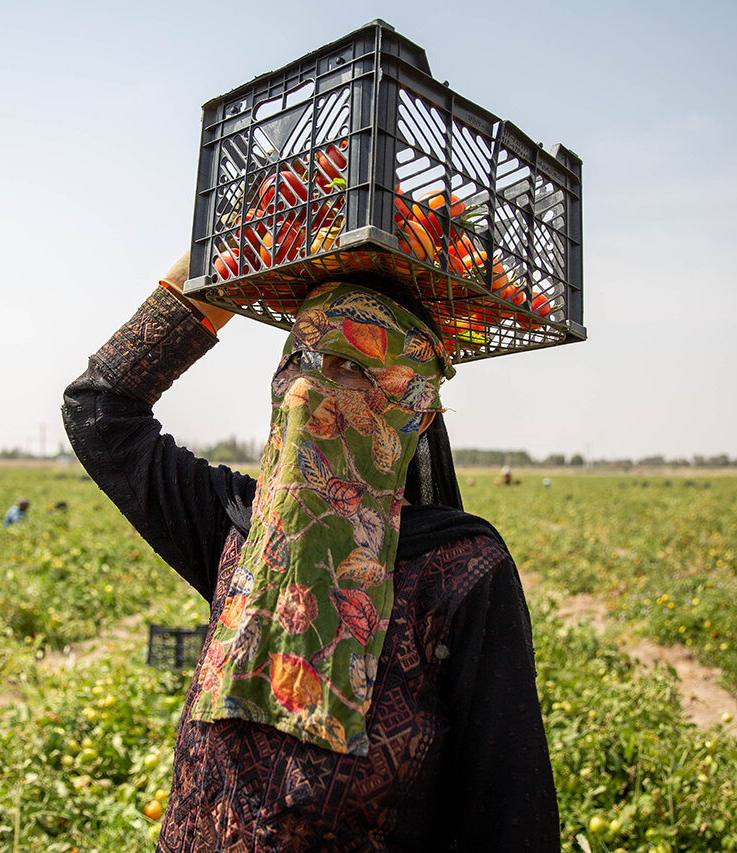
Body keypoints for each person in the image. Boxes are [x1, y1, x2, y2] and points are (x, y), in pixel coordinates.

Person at [62, 255, 559, 851]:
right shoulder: (240, 526)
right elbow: (100, 412)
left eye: (350, 366)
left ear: (414, 405)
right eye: (297, 358)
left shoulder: (461, 571)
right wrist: (218, 266)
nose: (305, 387)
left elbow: (510, 818)